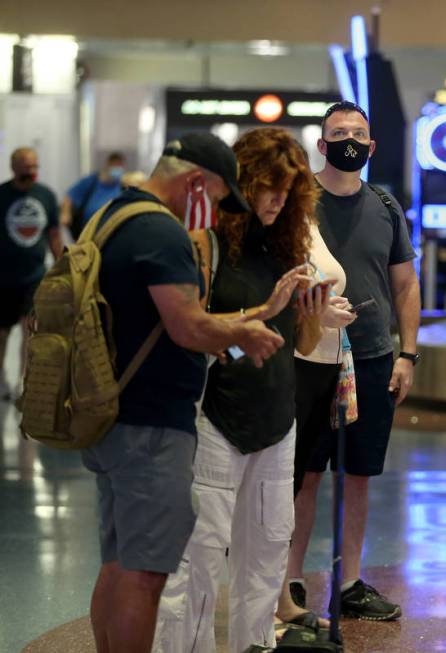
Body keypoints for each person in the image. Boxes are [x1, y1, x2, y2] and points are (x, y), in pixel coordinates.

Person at [80, 132, 286, 653]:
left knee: (118, 561)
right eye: (216, 199)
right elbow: (187, 327)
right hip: (150, 426)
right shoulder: (162, 232)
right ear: (196, 183)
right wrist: (244, 334)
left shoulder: (111, 217)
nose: (215, 213)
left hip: (108, 416)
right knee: (146, 574)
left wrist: (252, 315)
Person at [152, 127, 332, 653]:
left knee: (268, 554)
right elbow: (195, 337)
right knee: (200, 560)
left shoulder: (287, 249)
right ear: (242, 184)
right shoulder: (204, 248)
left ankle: (256, 646)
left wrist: (312, 314)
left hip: (278, 417)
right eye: (268, 187)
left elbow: (299, 342)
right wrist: (258, 316)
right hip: (216, 418)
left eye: (288, 189)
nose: (277, 199)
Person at [286, 100, 421, 622]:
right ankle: (291, 580)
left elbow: (405, 285)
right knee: (306, 472)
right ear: (321, 146)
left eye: (358, 133)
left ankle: (348, 582)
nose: (348, 141)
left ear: (372, 146)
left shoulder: (386, 208)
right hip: (310, 359)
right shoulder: (300, 205)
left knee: (358, 473)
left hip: (371, 358)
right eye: (337, 133)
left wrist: (406, 354)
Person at [278, 204, 356, 617]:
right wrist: (313, 312)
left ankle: (278, 595)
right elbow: (268, 298)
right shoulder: (271, 227)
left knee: (297, 480)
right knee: (278, 485)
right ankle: (269, 600)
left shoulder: (307, 219)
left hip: (323, 365)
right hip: (291, 365)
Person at [0, 147, 62, 401]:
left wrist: (62, 267)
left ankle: (24, 379)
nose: (31, 173)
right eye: (26, 169)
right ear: (13, 167)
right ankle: (1, 377)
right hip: (3, 278)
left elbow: (54, 235)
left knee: (30, 330)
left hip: (35, 276)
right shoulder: (2, 195)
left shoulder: (45, 195)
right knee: (2, 333)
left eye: (35, 168)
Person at [61, 151, 127, 239]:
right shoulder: (92, 181)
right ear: (108, 165)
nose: (117, 169)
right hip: (87, 230)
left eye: (120, 166)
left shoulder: (122, 185)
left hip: (112, 232)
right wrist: (66, 213)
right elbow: (69, 196)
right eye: (115, 165)